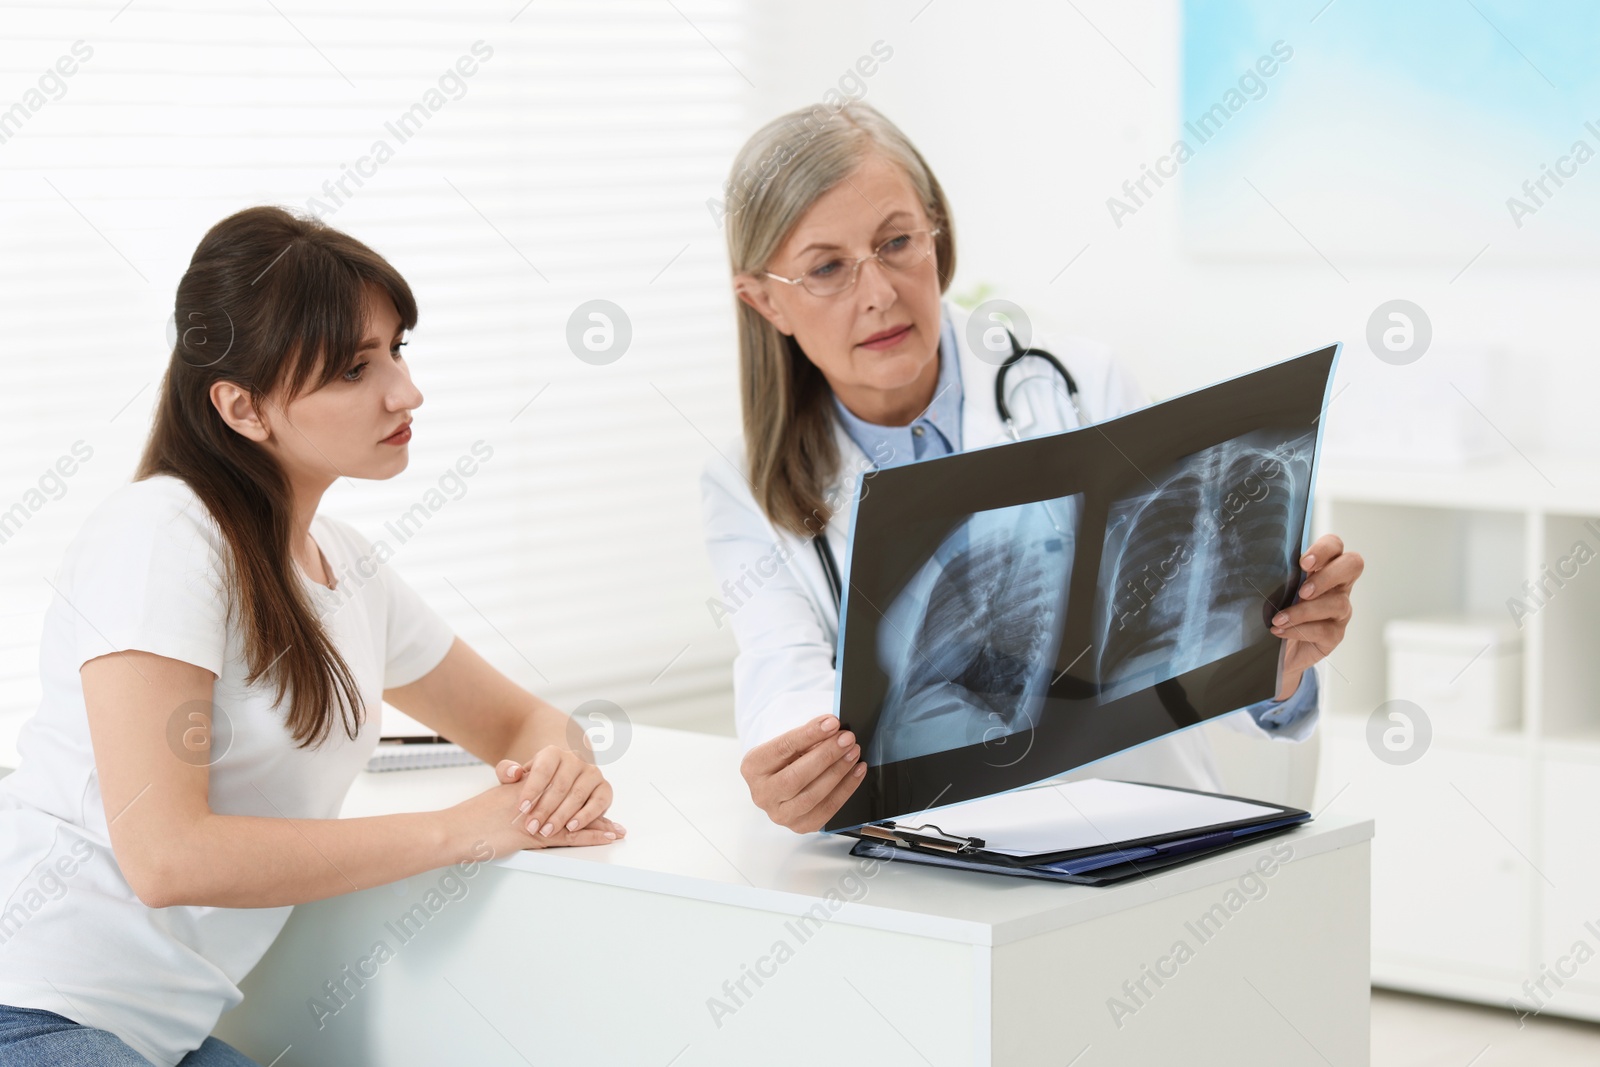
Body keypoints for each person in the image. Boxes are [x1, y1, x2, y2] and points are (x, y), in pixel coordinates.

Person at [0, 207, 624, 1066]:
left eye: (396, 349)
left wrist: (557, 777)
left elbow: (525, 722)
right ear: (242, 406)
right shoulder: (161, 534)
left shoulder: (343, 567)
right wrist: (465, 827)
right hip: (33, 1014)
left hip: (156, 1039)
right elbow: (166, 855)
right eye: (353, 368)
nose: (404, 392)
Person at [701, 102, 1364, 833]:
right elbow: (782, 669)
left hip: (1141, 831)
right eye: (827, 268)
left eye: (897, 242)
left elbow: (1186, 637)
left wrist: (1279, 664)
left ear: (935, 232)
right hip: (942, 859)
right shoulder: (742, 481)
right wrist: (800, 769)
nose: (880, 292)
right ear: (764, 300)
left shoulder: (1080, 387)